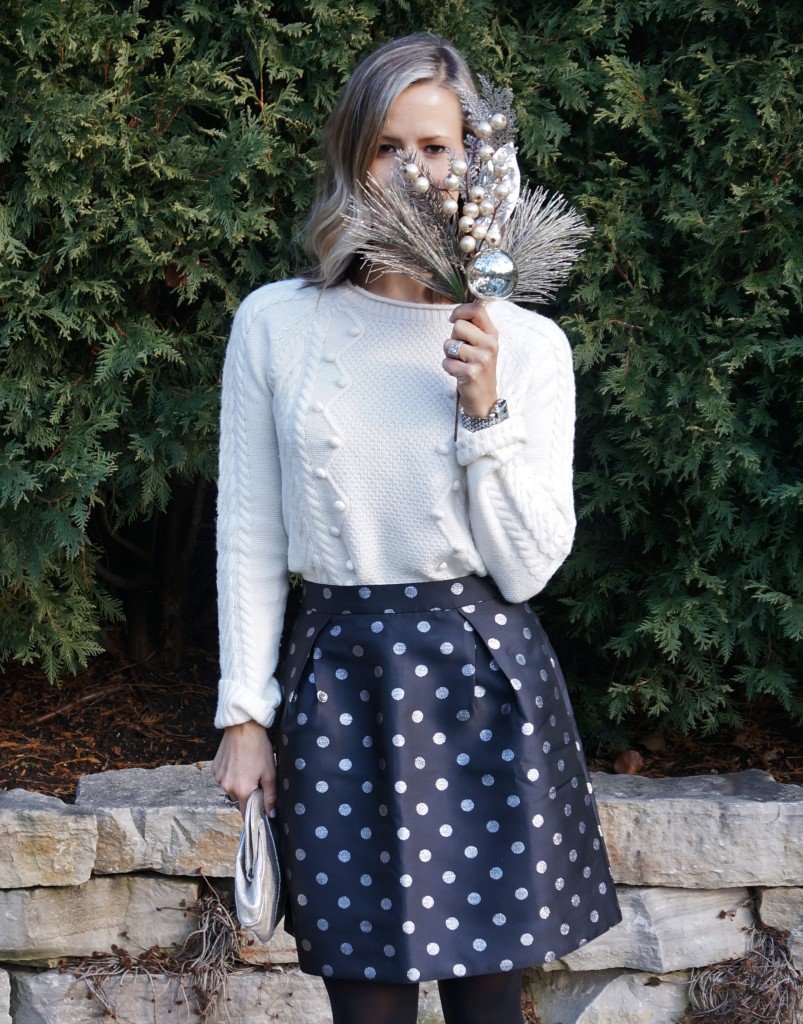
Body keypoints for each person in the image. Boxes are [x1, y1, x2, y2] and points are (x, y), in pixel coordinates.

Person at [211, 31, 622, 1024]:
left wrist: (483, 407)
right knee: (367, 1008)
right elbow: (251, 532)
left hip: (481, 677)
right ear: (352, 159)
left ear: (473, 164)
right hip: (339, 678)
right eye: (388, 146)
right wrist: (243, 714)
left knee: (487, 1005)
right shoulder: (277, 324)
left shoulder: (524, 344)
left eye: (436, 148)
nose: (413, 171)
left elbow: (525, 570)